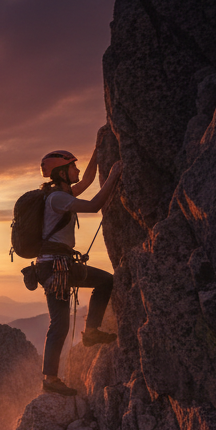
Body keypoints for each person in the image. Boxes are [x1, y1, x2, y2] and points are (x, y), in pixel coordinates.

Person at [35, 149, 123, 396]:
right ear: (61, 172)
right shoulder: (58, 199)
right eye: (73, 167)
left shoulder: (60, 194)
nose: (77, 170)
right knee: (103, 283)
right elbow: (95, 205)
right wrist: (114, 175)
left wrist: (99, 149)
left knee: (60, 322)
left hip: (54, 265)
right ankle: (88, 335)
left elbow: (87, 181)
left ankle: (51, 376)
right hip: (57, 267)